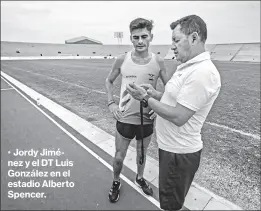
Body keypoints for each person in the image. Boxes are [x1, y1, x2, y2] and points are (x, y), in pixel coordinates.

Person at [126, 14, 221, 210]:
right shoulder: (187, 66)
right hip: (171, 149)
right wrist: (155, 94)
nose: (173, 46)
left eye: (176, 40)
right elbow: (175, 101)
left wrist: (145, 98)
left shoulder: (202, 72)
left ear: (194, 38)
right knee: (169, 201)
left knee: (170, 205)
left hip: (179, 153)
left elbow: (179, 116)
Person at [105, 17, 169, 203]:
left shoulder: (159, 62)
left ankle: (139, 178)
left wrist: (158, 106)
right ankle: (116, 181)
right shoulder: (121, 59)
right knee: (119, 157)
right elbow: (108, 81)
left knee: (142, 154)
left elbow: (170, 91)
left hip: (147, 119)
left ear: (150, 37)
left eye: (144, 36)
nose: (140, 41)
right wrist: (111, 104)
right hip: (124, 118)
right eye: (136, 37)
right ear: (131, 39)